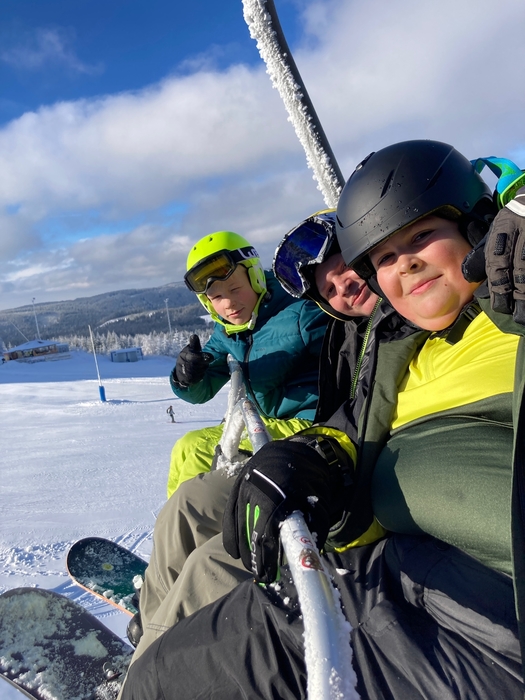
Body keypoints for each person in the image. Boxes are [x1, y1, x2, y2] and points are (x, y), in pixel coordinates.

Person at [120, 140, 525, 700]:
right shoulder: (392, 337)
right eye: (382, 259)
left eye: (420, 237)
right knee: (193, 506)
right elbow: (359, 419)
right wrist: (313, 454)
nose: (403, 264)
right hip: (392, 553)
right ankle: (151, 629)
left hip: (467, 599)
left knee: (208, 553)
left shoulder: (497, 307)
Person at [165, 230, 329, 498]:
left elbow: (348, 356)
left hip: (307, 424)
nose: (229, 304)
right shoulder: (227, 331)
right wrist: (187, 377)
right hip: (262, 423)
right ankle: (177, 522)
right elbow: (202, 390)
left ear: (255, 278)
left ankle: (203, 520)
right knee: (184, 447)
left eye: (235, 289)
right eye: (216, 297)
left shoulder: (300, 312)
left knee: (198, 452)